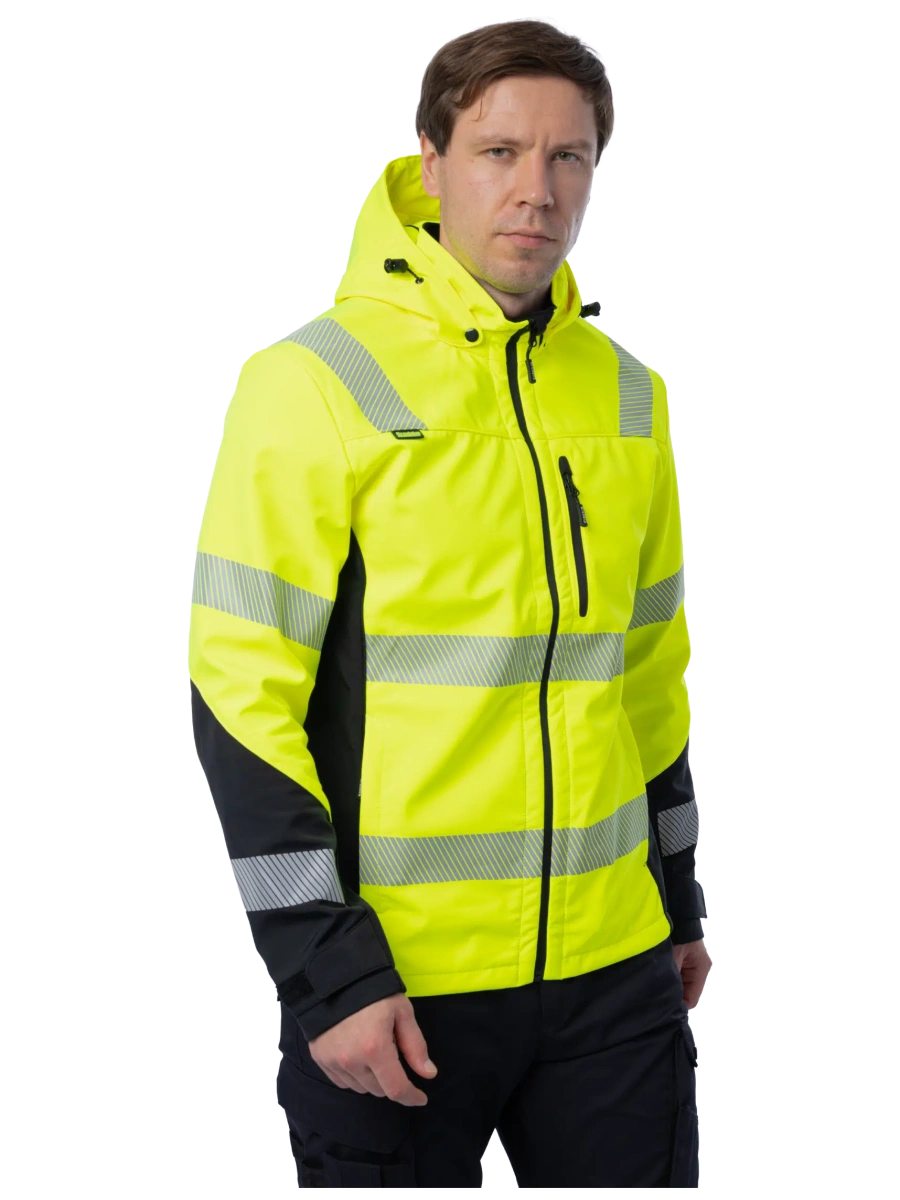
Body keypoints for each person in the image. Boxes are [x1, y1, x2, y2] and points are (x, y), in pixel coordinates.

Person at [189, 16, 711, 1193]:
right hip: (396, 987)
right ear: (430, 165)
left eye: (568, 157)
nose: (538, 191)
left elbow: (647, 677)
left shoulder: (629, 397)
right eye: (499, 152)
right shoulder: (314, 382)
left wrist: (677, 901)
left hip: (613, 976)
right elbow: (241, 698)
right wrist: (325, 971)